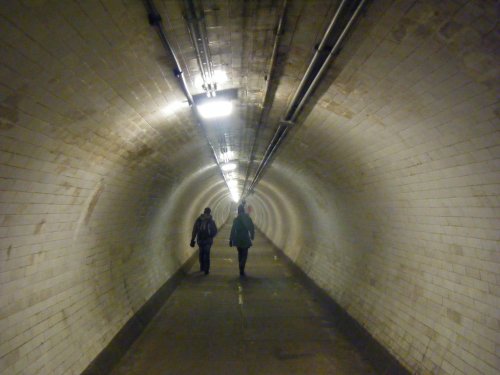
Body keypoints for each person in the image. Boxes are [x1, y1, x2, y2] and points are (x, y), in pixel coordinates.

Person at [190, 207, 218, 275]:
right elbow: (215, 231)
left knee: (201, 253)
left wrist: (192, 239)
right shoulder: (211, 220)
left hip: (200, 239)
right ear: (209, 212)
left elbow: (195, 230)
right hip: (208, 240)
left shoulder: (199, 220)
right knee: (207, 254)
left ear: (204, 211)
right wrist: (211, 236)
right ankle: (206, 269)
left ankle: (202, 267)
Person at [229, 205, 255, 276]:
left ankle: (241, 267)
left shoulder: (236, 219)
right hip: (245, 238)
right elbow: (251, 227)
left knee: (240, 253)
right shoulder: (248, 218)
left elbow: (233, 229)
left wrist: (231, 239)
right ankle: (242, 266)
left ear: (238, 211)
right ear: (243, 210)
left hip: (238, 238)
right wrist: (252, 236)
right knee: (244, 254)